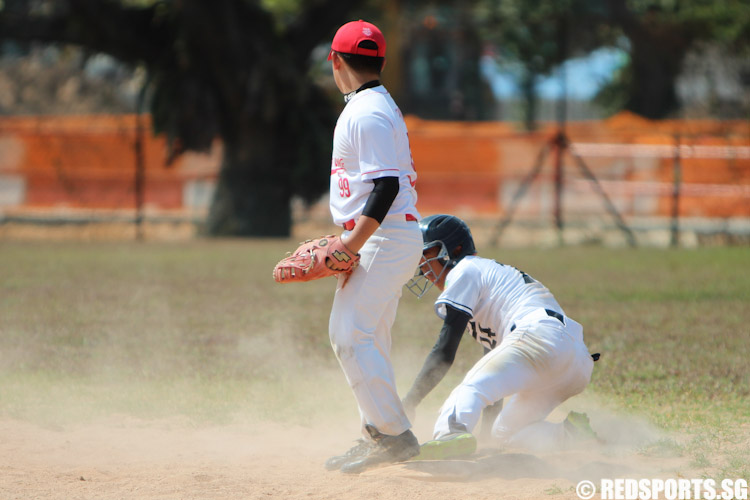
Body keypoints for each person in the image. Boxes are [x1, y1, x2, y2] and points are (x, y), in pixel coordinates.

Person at [403, 214, 599, 459]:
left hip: (539, 335)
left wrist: (409, 402)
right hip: (575, 362)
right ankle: (570, 434)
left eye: (428, 253)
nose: (423, 265)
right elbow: (496, 367)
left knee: (470, 387)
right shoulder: (487, 279)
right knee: (504, 433)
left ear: (455, 249)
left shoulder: (465, 270)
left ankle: (449, 433)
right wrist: (485, 435)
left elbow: (444, 352)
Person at [322, 20, 423, 474]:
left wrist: (349, 244)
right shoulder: (373, 105)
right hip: (386, 236)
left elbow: (385, 186)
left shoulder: (366, 111)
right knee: (369, 337)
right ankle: (376, 434)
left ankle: (394, 436)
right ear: (379, 60)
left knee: (347, 335)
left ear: (336, 61)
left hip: (384, 235)